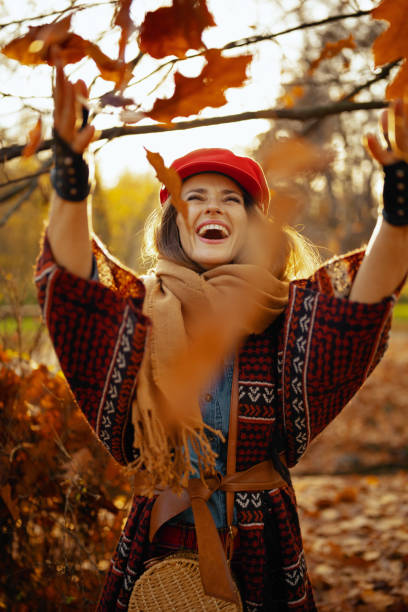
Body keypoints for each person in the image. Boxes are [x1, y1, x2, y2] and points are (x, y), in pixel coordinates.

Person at [35, 64, 408, 612]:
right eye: (195, 197)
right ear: (176, 224)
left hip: (259, 544)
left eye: (231, 199)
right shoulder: (140, 314)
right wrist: (71, 185)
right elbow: (73, 290)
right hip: (159, 549)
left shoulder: (284, 318)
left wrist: (397, 211)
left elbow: (362, 305)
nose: (212, 206)